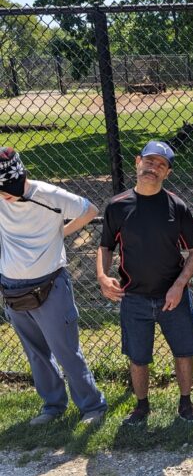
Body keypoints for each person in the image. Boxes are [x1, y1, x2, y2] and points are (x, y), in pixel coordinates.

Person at [97, 141, 193, 426]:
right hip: (133, 297)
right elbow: (105, 246)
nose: (153, 168)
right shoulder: (117, 207)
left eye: (161, 165)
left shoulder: (176, 206)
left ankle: (186, 405)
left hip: (173, 296)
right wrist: (102, 275)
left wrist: (180, 285)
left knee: (184, 351)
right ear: (137, 162)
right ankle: (141, 406)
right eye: (149, 161)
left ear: (167, 173)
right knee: (138, 356)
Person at [0, 147, 107, 426]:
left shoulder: (48, 194)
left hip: (50, 285)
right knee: (35, 352)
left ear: (24, 174)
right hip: (12, 287)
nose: (8, 194)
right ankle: (53, 405)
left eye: (11, 187)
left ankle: (92, 406)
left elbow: (90, 210)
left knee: (66, 350)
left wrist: (60, 232)